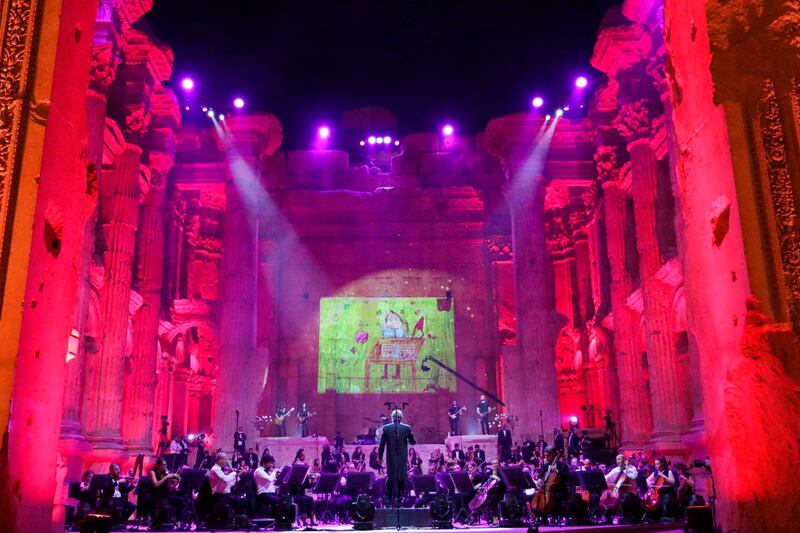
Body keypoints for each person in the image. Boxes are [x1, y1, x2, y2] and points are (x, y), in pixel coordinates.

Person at [378, 409, 416, 506]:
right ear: (401, 418)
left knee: (391, 477)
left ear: (392, 418)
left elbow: (381, 445)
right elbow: (413, 442)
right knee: (402, 478)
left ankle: (387, 501)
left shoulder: (386, 428)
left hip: (391, 458)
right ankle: (400, 500)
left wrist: (380, 457)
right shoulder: (407, 428)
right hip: (402, 458)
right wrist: (409, 434)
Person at [149, 458, 183, 527]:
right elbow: (156, 485)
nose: (165, 467)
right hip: (156, 496)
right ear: (158, 465)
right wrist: (166, 477)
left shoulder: (165, 474)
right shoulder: (152, 472)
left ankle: (178, 522)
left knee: (181, 501)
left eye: (166, 465)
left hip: (165, 496)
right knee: (163, 502)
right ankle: (160, 522)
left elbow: (168, 488)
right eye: (163, 465)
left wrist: (174, 485)